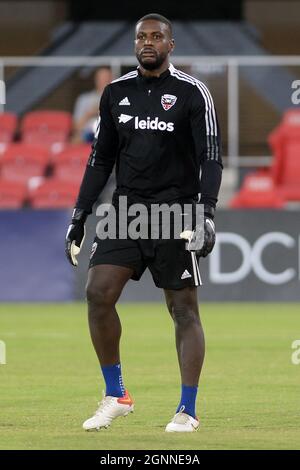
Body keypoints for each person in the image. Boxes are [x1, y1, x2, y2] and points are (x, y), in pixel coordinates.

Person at [65, 13, 222, 433]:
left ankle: (187, 410)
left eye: (157, 36)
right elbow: (101, 160)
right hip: (126, 212)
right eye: (141, 37)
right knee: (98, 293)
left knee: (183, 310)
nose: (148, 42)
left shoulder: (193, 93)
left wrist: (206, 212)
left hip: (177, 213)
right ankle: (116, 395)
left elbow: (210, 156)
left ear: (171, 45)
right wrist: (80, 215)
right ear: (135, 44)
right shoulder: (115, 93)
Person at [72, 67, 113, 143]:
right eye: (101, 78)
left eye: (107, 78)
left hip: (109, 135)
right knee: (76, 139)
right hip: (87, 134)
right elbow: (76, 127)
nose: (104, 80)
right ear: (96, 80)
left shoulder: (118, 99)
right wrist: (90, 113)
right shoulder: (84, 99)